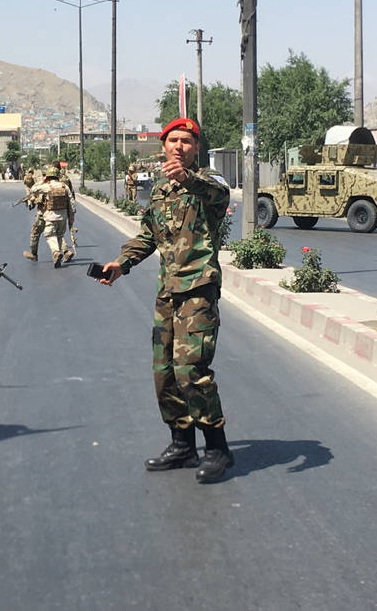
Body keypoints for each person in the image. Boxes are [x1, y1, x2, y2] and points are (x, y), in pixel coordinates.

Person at [98, 118, 233, 484]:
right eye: (173, 140)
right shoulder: (159, 190)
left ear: (196, 148)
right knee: (164, 374)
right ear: (163, 146)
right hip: (167, 294)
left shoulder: (209, 182)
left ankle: (217, 447)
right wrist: (120, 264)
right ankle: (182, 444)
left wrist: (187, 178)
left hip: (198, 291)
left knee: (192, 371)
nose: (179, 146)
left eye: (186, 141)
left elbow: (219, 196)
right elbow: (147, 235)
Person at [36, 167, 75, 268]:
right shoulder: (64, 186)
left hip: (50, 216)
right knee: (59, 235)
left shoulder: (47, 186)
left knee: (49, 234)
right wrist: (71, 216)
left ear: (48, 176)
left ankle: (56, 253)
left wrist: (41, 181)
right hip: (63, 217)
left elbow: (33, 190)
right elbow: (71, 202)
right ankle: (61, 255)